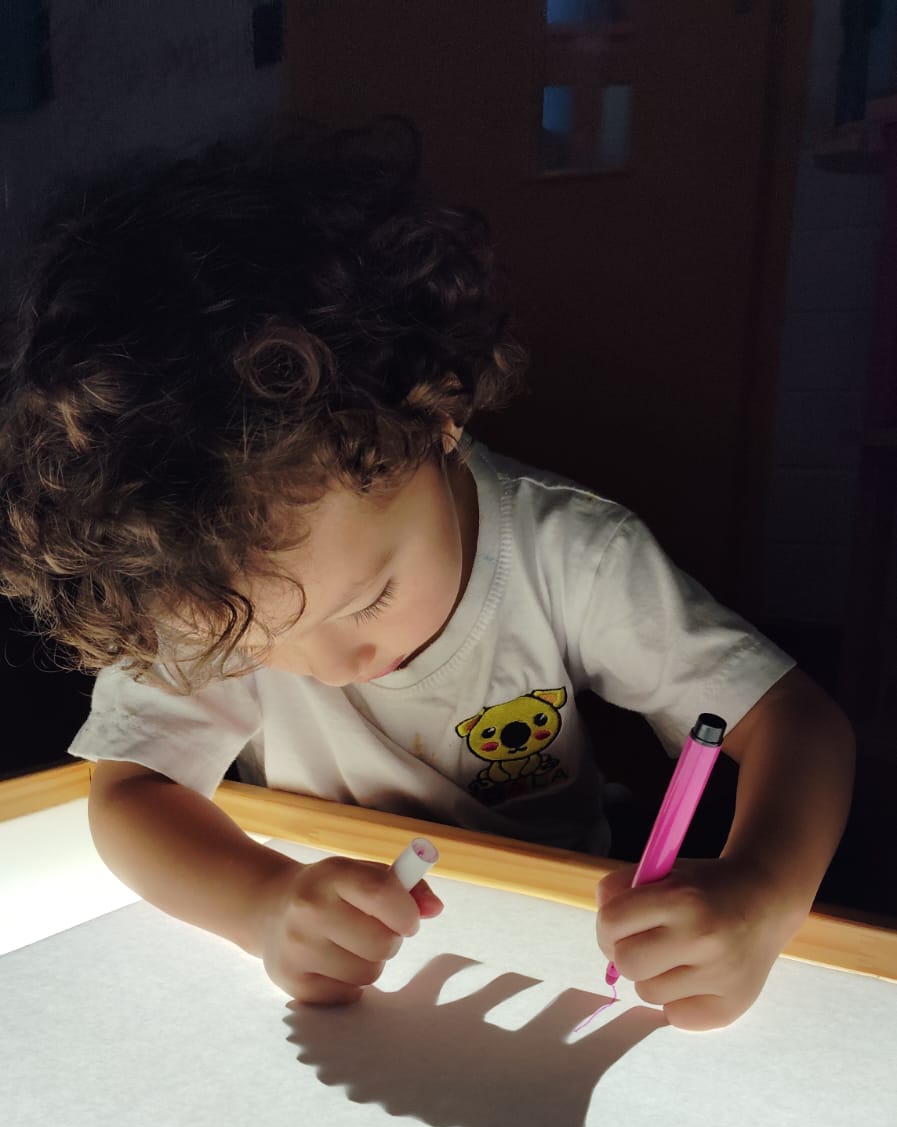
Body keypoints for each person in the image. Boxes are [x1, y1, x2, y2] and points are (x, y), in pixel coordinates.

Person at [0, 117, 855, 1031]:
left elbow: (794, 723)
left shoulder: (571, 554)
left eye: (368, 599)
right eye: (258, 646)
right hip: (340, 939)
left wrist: (761, 895)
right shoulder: (200, 570)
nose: (333, 668)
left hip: (563, 943)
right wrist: (261, 904)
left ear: (434, 414)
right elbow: (132, 793)